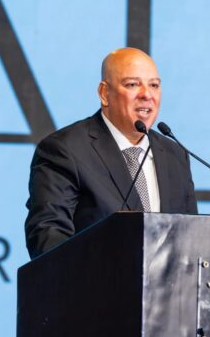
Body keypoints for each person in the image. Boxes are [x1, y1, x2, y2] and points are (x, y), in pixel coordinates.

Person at [24, 47, 198, 259]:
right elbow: (48, 237)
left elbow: (192, 238)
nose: (146, 94)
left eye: (154, 85)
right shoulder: (65, 150)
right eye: (132, 84)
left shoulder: (174, 154)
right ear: (104, 93)